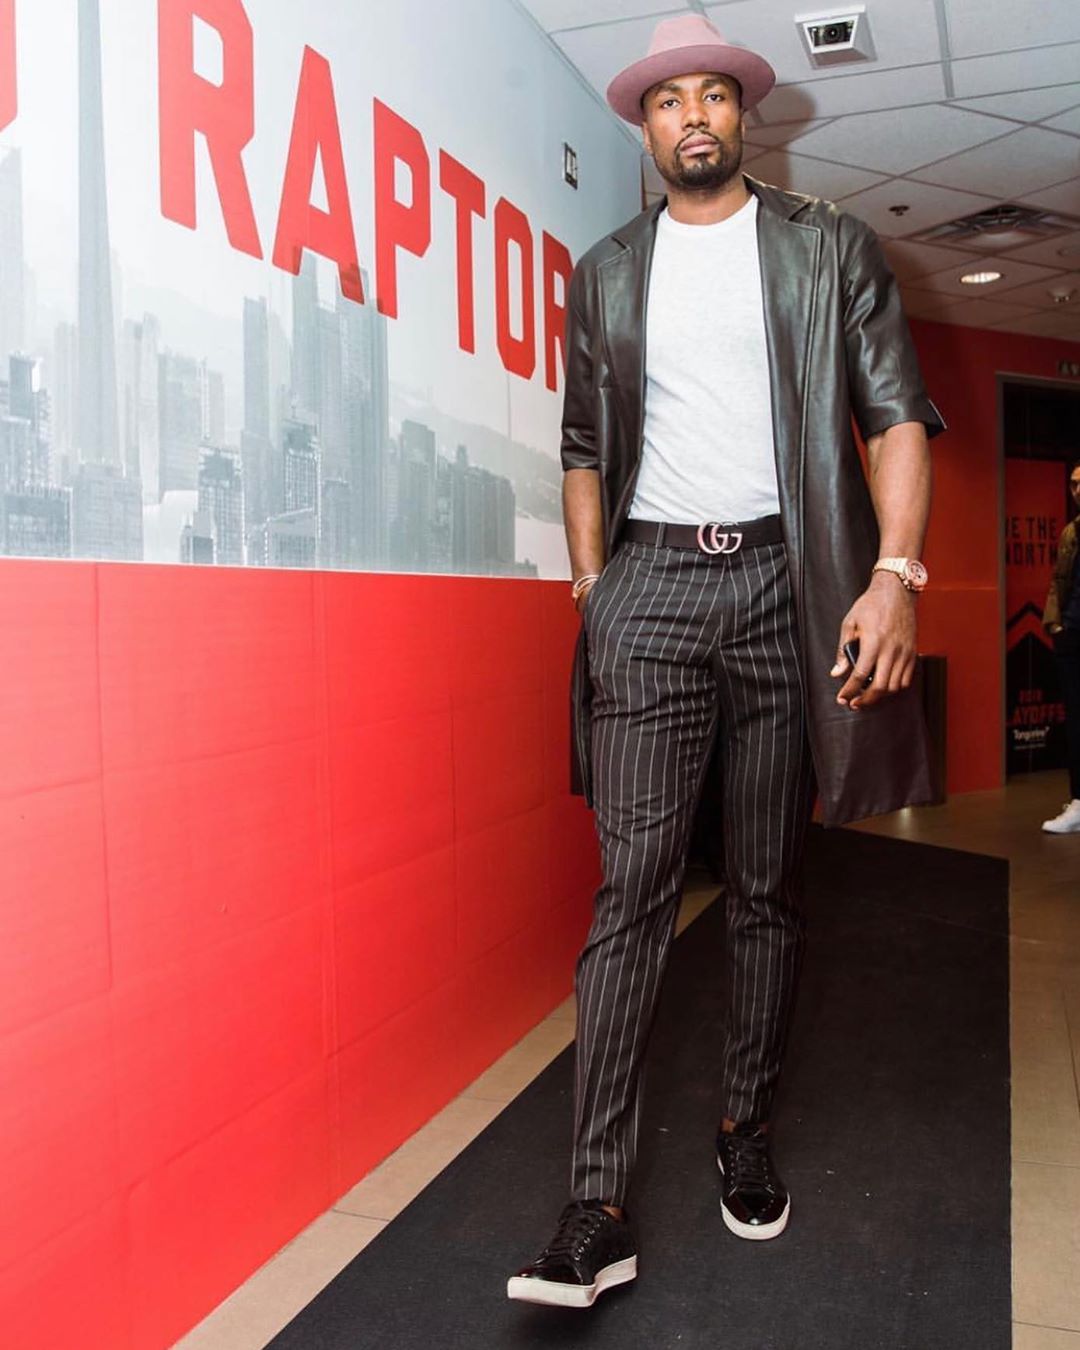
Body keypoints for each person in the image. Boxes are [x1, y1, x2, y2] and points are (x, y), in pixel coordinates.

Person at [506, 14, 943, 1310]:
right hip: (647, 588)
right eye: (667, 100)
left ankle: (744, 1126)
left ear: (741, 115)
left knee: (764, 885)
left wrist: (894, 574)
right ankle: (595, 1205)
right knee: (630, 895)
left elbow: (895, 417)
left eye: (713, 94)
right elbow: (582, 447)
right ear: (645, 126)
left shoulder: (829, 248)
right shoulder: (605, 273)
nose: (692, 115)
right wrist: (597, 590)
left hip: (782, 588)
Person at [1042, 458, 1080, 834]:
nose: (1078, 490)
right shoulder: (1071, 531)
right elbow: (1058, 580)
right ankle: (1079, 802)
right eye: (1074, 484)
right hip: (1071, 634)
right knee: (1076, 723)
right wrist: (1055, 623)